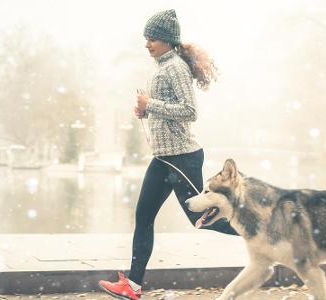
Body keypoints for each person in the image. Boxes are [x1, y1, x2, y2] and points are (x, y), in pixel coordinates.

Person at [98, 9, 238, 300]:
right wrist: (145, 109)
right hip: (164, 159)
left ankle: (264, 231)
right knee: (143, 216)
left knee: (199, 218)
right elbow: (166, 109)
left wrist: (151, 104)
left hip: (182, 158)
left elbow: (190, 112)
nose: (146, 44)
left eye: (151, 39)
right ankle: (133, 286)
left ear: (166, 40)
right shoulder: (163, 65)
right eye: (146, 39)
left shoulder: (175, 67)